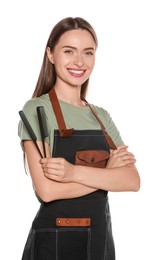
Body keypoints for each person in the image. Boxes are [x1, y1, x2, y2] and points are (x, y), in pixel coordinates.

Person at [18, 17, 140, 260]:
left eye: (88, 52)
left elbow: (132, 181)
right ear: (50, 54)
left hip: (99, 240)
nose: (79, 62)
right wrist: (107, 174)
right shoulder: (37, 111)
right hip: (54, 243)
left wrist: (72, 173)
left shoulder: (101, 116)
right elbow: (47, 191)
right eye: (69, 51)